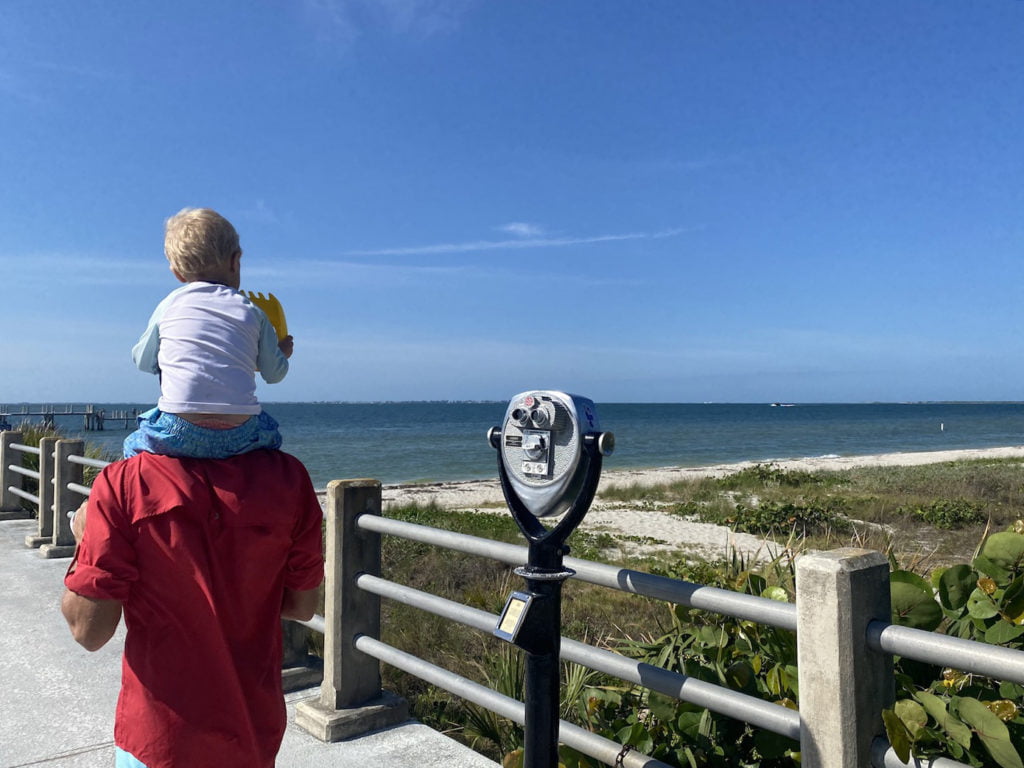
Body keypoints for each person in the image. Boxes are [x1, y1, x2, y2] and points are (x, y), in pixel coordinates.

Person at [61, 448, 324, 768]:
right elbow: (302, 606)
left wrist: (86, 538)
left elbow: (89, 630)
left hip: (160, 735)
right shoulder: (289, 478)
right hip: (252, 727)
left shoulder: (124, 481)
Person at [124, 207, 294, 460]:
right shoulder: (253, 311)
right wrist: (281, 354)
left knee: (133, 444)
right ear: (236, 261)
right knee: (271, 434)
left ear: (177, 273)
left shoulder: (169, 305)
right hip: (241, 432)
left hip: (179, 431)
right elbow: (274, 374)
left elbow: (142, 361)